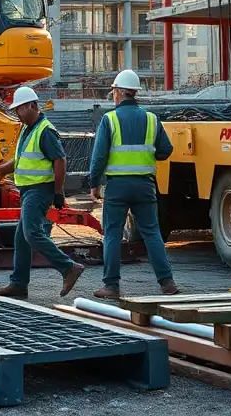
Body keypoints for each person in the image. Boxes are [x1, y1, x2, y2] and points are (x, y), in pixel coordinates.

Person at [89, 69, 179, 299]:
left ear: (119, 92)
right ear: (135, 92)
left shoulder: (109, 120)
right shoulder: (151, 119)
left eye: (114, 92)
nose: (113, 96)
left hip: (118, 187)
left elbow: (99, 156)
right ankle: (167, 283)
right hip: (145, 185)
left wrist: (94, 184)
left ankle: (111, 286)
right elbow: (166, 150)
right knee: (152, 233)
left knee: (112, 233)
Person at [0, 86, 85, 300]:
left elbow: (60, 160)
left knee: (32, 233)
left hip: (39, 190)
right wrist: (2, 170)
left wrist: (58, 191)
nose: (17, 113)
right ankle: (18, 284)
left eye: (20, 109)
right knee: (22, 239)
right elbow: (24, 159)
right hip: (29, 190)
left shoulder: (45, 130)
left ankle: (68, 267)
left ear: (32, 106)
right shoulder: (29, 129)